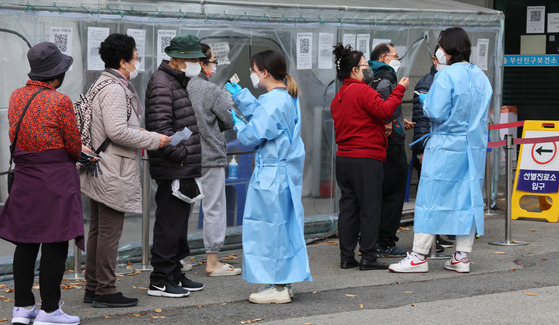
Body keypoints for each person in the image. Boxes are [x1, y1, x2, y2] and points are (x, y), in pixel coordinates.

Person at [389, 27, 493, 273]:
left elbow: (435, 111)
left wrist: (427, 102)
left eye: (440, 45)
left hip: (446, 145)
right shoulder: (480, 76)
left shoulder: (445, 77)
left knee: (431, 198)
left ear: (447, 49)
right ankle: (462, 256)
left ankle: (419, 256)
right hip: (473, 146)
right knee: (467, 198)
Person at [80, 33, 171, 307]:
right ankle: (105, 291)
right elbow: (117, 131)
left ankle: (94, 287)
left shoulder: (101, 83)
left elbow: (115, 126)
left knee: (98, 229)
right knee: (108, 231)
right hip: (112, 168)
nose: (138, 60)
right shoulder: (115, 89)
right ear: (123, 61)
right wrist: (154, 139)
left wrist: (138, 131)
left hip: (101, 165)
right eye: (135, 56)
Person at [0, 42, 82, 325]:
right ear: (57, 76)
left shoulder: (16, 97)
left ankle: (22, 308)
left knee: (26, 242)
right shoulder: (61, 102)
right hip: (55, 178)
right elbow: (73, 145)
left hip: (25, 177)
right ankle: (49, 310)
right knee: (55, 242)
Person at [225, 50, 312, 304]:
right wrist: (241, 95)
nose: (252, 75)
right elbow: (264, 116)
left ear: (264, 72)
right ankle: (281, 281)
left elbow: (254, 134)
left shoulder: (274, 101)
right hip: (280, 172)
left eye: (253, 71)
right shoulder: (283, 96)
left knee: (269, 229)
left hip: (272, 174)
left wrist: (239, 125)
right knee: (281, 227)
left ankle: (279, 286)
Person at [330, 43, 409, 271]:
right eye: (364, 65)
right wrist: (399, 90)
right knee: (370, 208)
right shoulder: (362, 90)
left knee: (349, 209)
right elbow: (384, 111)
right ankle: (368, 257)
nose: (368, 68)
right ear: (355, 70)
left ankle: (347, 256)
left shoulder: (339, 96)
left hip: (344, 158)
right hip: (366, 157)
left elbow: (359, 119)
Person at [144, 34, 205, 298]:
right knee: (169, 223)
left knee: (178, 225)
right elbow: (160, 127)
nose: (197, 65)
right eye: (192, 59)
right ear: (177, 58)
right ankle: (160, 279)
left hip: (182, 164)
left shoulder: (176, 80)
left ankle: (174, 273)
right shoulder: (162, 83)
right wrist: (179, 154)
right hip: (174, 165)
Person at [186, 43, 240, 276]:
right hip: (210, 155)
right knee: (214, 207)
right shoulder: (212, 90)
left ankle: (177, 258)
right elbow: (229, 119)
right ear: (202, 63)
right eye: (213, 61)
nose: (215, 66)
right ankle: (213, 260)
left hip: (184, 156)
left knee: (182, 207)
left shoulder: (179, 87)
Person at [368, 43, 415, 258]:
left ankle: (371, 239)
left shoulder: (367, 74)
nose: (398, 60)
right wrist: (388, 121)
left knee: (376, 193)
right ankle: (385, 241)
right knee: (394, 194)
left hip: (374, 143)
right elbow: (382, 100)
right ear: (385, 57)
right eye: (396, 56)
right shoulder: (387, 75)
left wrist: (396, 118)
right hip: (391, 142)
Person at [411, 45, 454, 251]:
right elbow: (422, 120)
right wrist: (421, 149)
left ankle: (436, 237)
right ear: (434, 58)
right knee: (429, 197)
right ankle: (427, 244)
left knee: (439, 195)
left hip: (439, 146)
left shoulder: (444, 79)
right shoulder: (427, 83)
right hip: (428, 146)